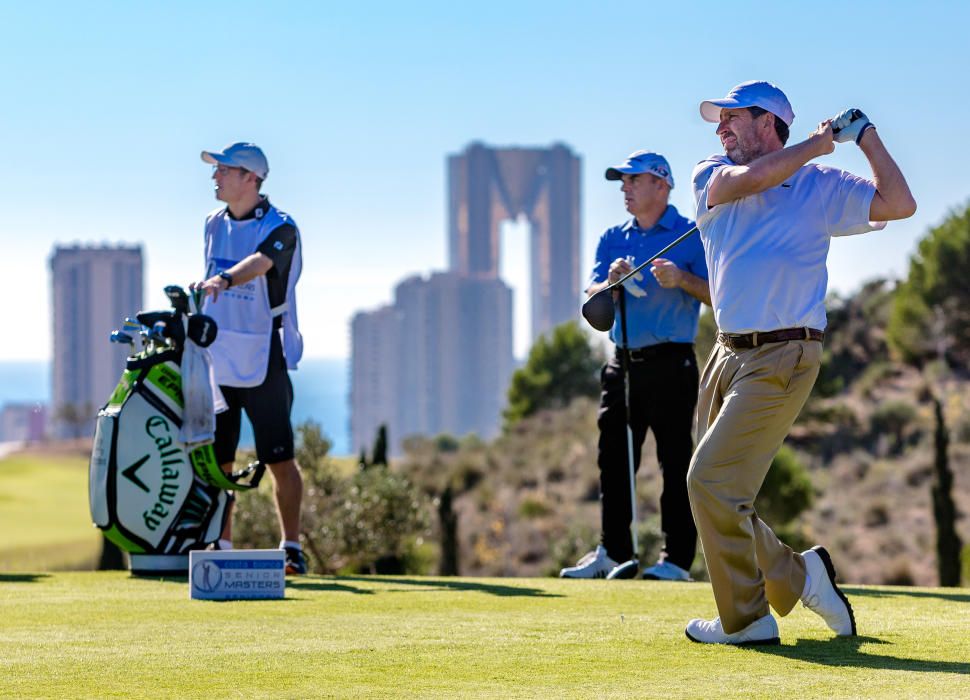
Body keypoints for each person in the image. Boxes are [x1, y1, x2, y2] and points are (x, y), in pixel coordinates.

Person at [685, 81, 916, 644]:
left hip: (785, 354)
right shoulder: (710, 173)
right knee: (718, 492)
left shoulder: (821, 186)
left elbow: (900, 204)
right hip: (724, 353)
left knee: (708, 482)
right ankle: (801, 575)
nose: (721, 129)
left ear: (768, 122)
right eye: (720, 121)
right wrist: (814, 146)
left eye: (732, 118)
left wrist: (865, 137)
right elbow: (751, 180)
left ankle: (749, 620)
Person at [561, 151, 710, 580]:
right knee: (613, 459)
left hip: (671, 362)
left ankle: (676, 561)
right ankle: (615, 552)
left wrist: (681, 280)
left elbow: (716, 293)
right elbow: (592, 290)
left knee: (674, 462)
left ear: (661, 185)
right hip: (621, 363)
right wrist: (611, 280)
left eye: (633, 180)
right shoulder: (613, 237)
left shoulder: (689, 235)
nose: (624, 188)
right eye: (621, 182)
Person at [190, 142, 308, 575]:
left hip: (265, 352)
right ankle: (220, 543)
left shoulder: (281, 226)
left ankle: (291, 547)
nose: (215, 177)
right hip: (218, 356)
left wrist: (223, 278)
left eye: (223, 170)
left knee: (279, 457)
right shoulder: (211, 224)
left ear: (250, 179)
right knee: (219, 460)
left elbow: (262, 262)